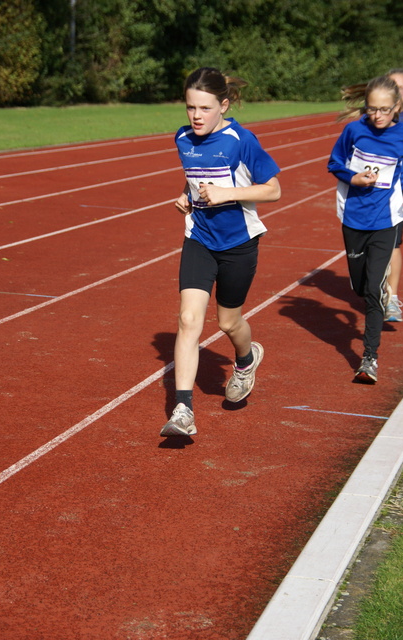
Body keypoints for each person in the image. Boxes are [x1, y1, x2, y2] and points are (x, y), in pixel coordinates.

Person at [160, 67, 281, 436]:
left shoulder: (241, 140)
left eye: (205, 108)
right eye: (190, 108)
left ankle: (246, 359)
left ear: (223, 105)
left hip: (239, 244)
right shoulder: (183, 138)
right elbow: (196, 172)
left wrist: (228, 194)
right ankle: (183, 410)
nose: (196, 116)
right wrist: (187, 194)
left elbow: (273, 189)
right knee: (187, 320)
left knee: (228, 322)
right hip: (200, 239)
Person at [328, 75, 403, 384]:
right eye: (372, 109)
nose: (378, 116)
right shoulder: (355, 130)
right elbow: (334, 164)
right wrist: (353, 177)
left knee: (373, 290)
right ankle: (369, 285)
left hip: (386, 219)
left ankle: (369, 358)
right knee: (361, 288)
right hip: (353, 218)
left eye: (385, 110)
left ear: (397, 106)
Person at [384, 68, 403, 321]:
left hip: (399, 194)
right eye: (393, 86)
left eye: (401, 88)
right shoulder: (376, 120)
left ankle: (392, 299)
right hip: (376, 195)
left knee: (392, 244)